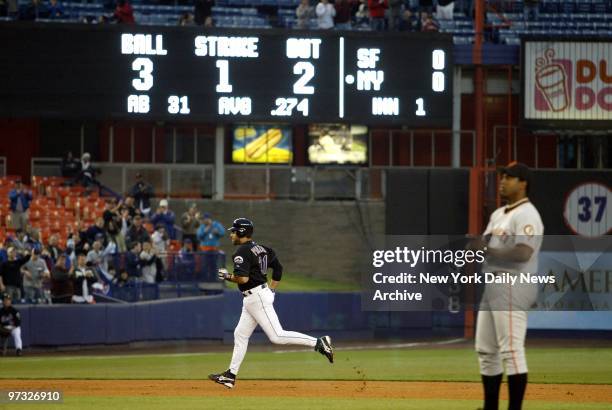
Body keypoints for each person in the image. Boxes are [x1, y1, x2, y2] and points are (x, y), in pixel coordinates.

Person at [208, 218, 334, 389]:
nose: (231, 234)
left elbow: (243, 278)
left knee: (277, 336)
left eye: (234, 231)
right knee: (240, 335)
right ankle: (230, 376)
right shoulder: (263, 249)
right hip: (258, 295)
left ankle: (318, 343)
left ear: (242, 232)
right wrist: (272, 290)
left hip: (256, 296)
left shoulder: (241, 252)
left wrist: (227, 276)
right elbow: (279, 268)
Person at [470, 162, 544, 410]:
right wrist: (478, 247)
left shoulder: (528, 213)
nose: (502, 180)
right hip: (493, 283)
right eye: (502, 176)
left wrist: (488, 249)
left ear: (523, 183)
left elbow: (523, 253)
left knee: (511, 351)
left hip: (513, 283)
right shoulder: (499, 214)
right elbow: (486, 243)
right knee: (486, 350)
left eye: (509, 177)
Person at [196, 213, 225, 281]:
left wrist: (217, 232)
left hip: (214, 249)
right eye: (203, 219)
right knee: (205, 265)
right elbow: (198, 236)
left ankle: (213, 280)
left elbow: (223, 233)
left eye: (205, 219)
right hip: (205, 250)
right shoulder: (202, 226)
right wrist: (205, 231)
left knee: (214, 265)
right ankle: (205, 279)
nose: (203, 221)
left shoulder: (216, 225)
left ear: (209, 219)